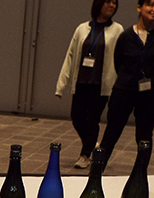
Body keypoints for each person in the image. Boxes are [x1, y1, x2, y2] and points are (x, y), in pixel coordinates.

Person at [97, 0, 154, 166]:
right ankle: (96, 173)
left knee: (144, 137)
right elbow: (118, 62)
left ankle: (139, 175)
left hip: (149, 93)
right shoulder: (126, 36)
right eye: (150, 5)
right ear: (139, 8)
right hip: (124, 91)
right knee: (111, 133)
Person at [56, 0, 122, 169]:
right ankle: (92, 143)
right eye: (108, 2)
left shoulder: (117, 30)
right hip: (81, 82)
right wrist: (61, 85)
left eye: (114, 3)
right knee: (77, 117)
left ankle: (85, 155)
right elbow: (70, 55)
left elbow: (121, 59)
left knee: (92, 120)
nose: (112, 5)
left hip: (100, 86)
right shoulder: (82, 28)